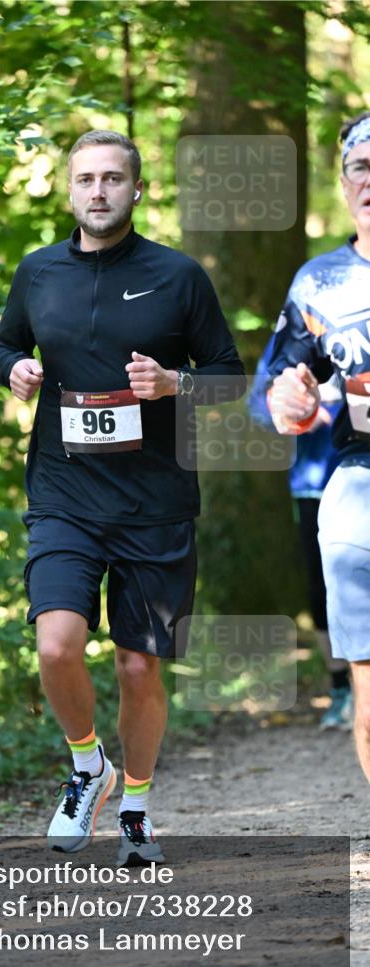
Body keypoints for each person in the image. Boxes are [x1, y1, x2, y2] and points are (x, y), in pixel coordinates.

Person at [0, 130, 245, 863]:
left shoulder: (177, 275)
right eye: (84, 180)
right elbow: (1, 344)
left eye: (111, 179)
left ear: (137, 190)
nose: (97, 192)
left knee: (137, 666)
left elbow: (227, 374)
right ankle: (84, 765)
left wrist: (174, 384)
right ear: (68, 190)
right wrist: (14, 371)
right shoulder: (38, 272)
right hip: (64, 495)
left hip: (155, 502)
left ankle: (134, 805)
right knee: (55, 644)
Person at [266, 111, 370, 782]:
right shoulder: (316, 283)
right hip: (359, 480)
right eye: (362, 168)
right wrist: (292, 403)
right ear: (343, 182)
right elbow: (281, 391)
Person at [248, 342, 351, 730]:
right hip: (314, 484)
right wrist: (301, 412)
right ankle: (342, 688)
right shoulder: (289, 339)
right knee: (322, 588)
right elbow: (258, 407)